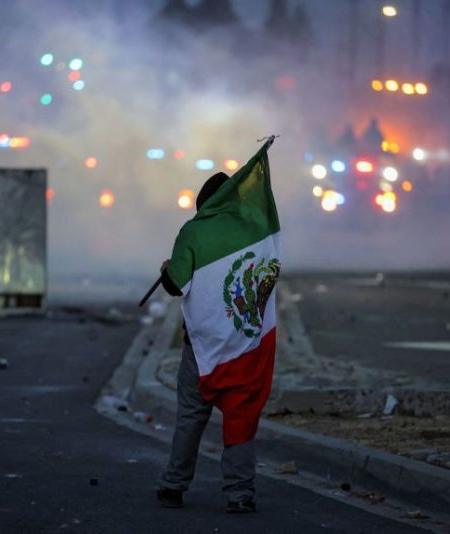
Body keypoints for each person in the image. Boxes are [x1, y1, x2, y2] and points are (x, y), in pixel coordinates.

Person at [155, 139, 281, 514]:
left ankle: (173, 485)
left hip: (202, 348)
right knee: (241, 417)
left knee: (191, 416)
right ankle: (240, 493)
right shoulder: (258, 233)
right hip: (245, 346)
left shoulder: (193, 232)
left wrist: (166, 269)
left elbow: (176, 286)